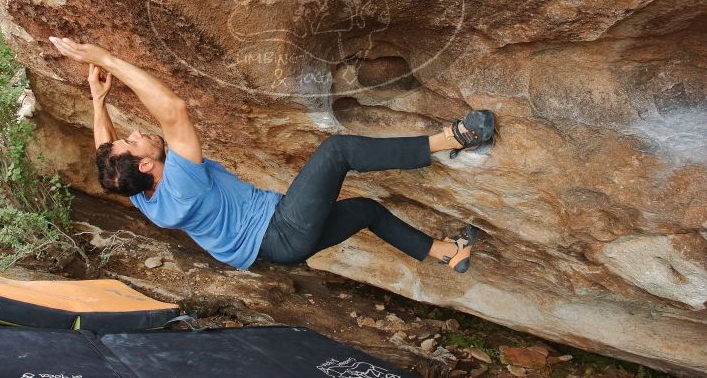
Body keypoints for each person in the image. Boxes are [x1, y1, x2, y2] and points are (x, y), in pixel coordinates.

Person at [49, 37, 493, 273]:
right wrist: (106, 57)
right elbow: (173, 111)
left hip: (277, 250)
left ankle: (446, 252)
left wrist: (97, 100)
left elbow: (106, 157)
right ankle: (453, 139)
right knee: (337, 150)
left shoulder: (143, 192)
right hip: (279, 230)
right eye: (135, 141)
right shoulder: (183, 181)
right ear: (147, 164)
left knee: (366, 212)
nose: (138, 132)